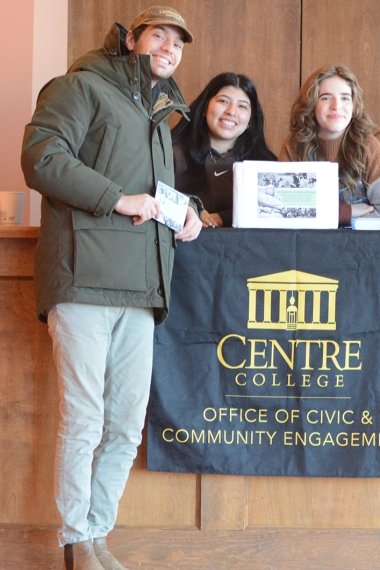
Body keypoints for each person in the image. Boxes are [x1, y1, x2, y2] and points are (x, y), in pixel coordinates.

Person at [20, 6, 201, 569]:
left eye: (178, 43)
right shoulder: (80, 86)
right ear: (131, 39)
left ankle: (98, 536)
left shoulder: (156, 113)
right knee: (85, 419)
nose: (169, 48)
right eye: (159, 37)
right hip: (84, 279)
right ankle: (75, 541)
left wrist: (188, 213)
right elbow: (42, 158)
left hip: (143, 290)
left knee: (125, 424)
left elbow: (154, 193)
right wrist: (116, 199)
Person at [279, 64, 380, 227]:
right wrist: (347, 212)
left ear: (354, 104)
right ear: (311, 104)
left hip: (359, 248)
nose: (336, 106)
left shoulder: (369, 146)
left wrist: (322, 216)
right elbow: (284, 211)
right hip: (308, 248)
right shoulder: (293, 146)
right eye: (325, 97)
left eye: (345, 98)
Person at [172, 72, 277, 228]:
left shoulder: (266, 164)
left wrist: (224, 217)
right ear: (205, 107)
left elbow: (274, 213)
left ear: (251, 119)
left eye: (242, 106)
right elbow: (153, 198)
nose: (231, 111)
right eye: (223, 101)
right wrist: (189, 209)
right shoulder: (171, 153)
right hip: (183, 247)